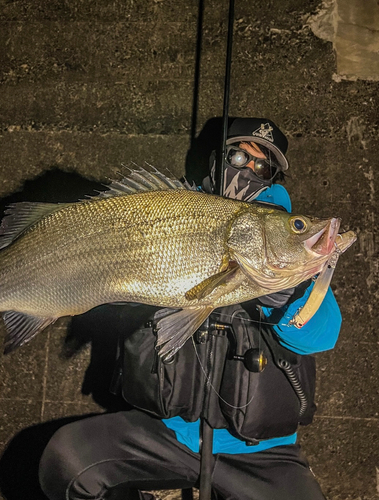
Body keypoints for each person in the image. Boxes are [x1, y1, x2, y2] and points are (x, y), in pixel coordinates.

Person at [38, 118, 341, 500]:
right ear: (216, 160)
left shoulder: (288, 248)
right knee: (64, 462)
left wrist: (284, 295)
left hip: (262, 453)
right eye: (238, 156)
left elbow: (326, 334)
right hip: (167, 432)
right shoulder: (168, 215)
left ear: (273, 179)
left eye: (262, 166)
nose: (248, 169)